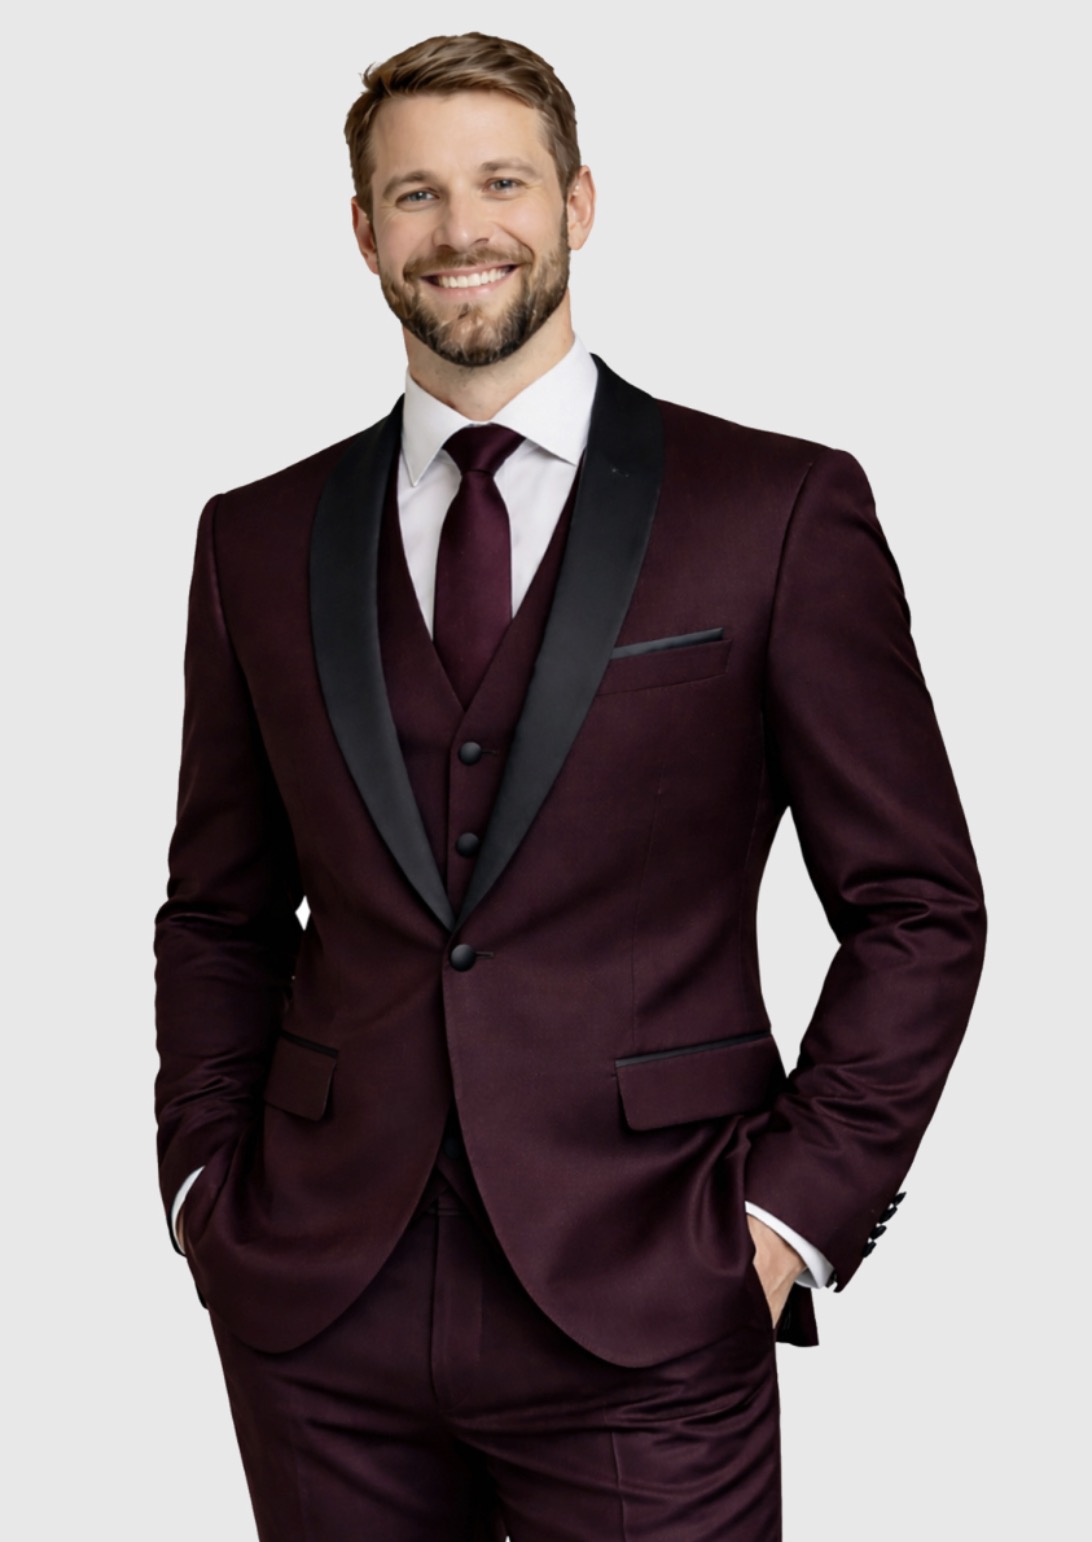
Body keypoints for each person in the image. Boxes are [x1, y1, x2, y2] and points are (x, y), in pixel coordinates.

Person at [154, 31, 986, 1541]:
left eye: (502, 183)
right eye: (415, 193)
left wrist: (784, 1222)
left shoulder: (775, 509)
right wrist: (206, 1190)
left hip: (653, 1285)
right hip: (320, 1303)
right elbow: (218, 908)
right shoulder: (255, 538)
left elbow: (919, 906)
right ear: (364, 231)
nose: (460, 229)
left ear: (579, 203)